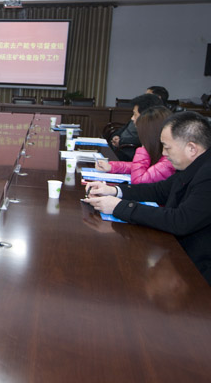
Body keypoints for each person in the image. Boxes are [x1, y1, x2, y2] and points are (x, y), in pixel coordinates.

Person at [85, 111, 211, 284]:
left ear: (191, 148)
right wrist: (114, 191)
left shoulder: (208, 174)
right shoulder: (194, 165)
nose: (164, 153)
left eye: (167, 147)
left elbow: (180, 221)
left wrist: (118, 207)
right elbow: (159, 191)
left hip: (197, 272)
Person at [96, 106, 175, 184]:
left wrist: (143, 148)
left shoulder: (168, 161)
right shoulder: (159, 152)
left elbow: (138, 181)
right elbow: (136, 167)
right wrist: (111, 166)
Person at [109, 93, 163, 161]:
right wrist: (116, 135)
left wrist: (121, 141)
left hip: (127, 154)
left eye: (135, 114)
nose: (132, 118)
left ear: (146, 115)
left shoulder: (153, 138)